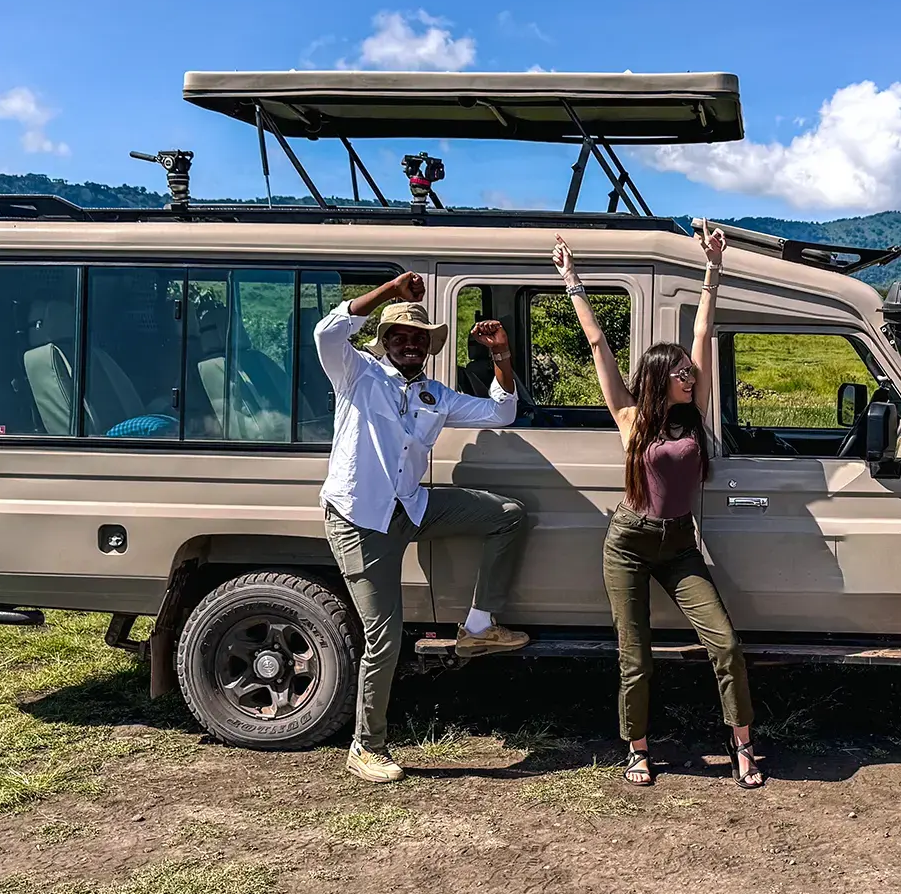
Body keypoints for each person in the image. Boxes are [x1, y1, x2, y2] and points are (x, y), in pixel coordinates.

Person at [550, 225, 763, 790]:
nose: (690, 377)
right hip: (628, 542)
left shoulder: (694, 415)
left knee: (725, 643)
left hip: (678, 545)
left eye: (691, 374)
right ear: (657, 379)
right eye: (680, 373)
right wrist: (572, 281)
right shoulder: (629, 420)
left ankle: (743, 746)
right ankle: (638, 750)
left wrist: (712, 267)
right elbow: (598, 346)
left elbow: (703, 330)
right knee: (635, 655)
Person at [315, 271, 531, 785]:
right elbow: (328, 331)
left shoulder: (436, 394)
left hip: (410, 507)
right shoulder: (356, 374)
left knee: (507, 515)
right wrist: (391, 292)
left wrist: (501, 355)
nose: (411, 344)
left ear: (429, 347)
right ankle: (366, 746)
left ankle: (478, 628)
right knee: (384, 636)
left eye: (419, 338)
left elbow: (502, 412)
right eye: (400, 337)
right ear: (384, 342)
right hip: (360, 519)